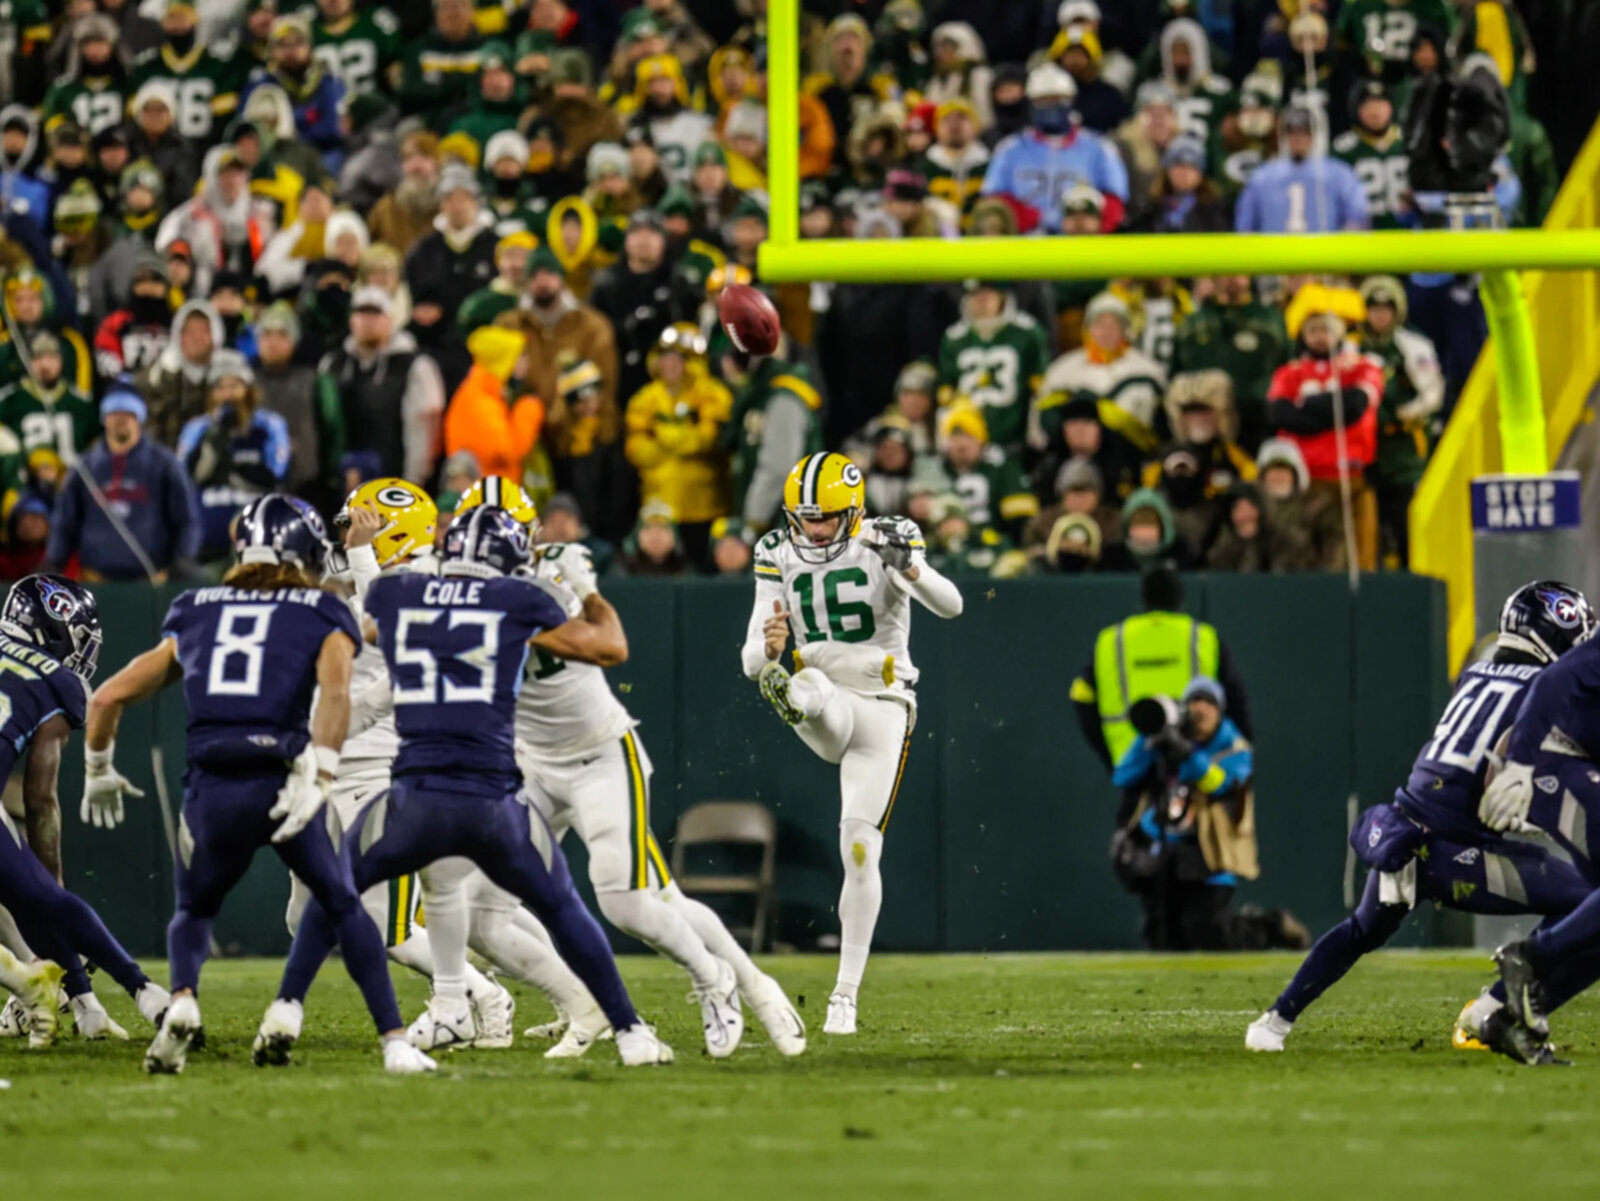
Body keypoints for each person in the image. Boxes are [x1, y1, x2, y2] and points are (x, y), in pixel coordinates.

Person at [278, 504, 674, 1067]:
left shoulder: (401, 596)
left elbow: (361, 633)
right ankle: (628, 1030)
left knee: (343, 888)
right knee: (561, 905)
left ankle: (290, 1008)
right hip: (492, 796)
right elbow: (609, 646)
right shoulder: (519, 600)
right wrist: (587, 590)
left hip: (413, 793)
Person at [83, 495, 435, 1075]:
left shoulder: (195, 606)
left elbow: (108, 695)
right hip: (284, 778)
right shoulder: (320, 609)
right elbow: (338, 695)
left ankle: (183, 1000)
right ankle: (394, 1041)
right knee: (343, 906)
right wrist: (321, 772)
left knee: (194, 909)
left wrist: (97, 767)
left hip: (212, 784)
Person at [1248, 581, 1597, 1056]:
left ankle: (1274, 1021)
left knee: (1359, 932)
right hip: (1454, 850)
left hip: (1405, 826)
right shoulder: (1544, 690)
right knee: (1582, 902)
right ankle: (1492, 1008)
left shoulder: (1475, 673)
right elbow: (1507, 759)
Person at [501, 516, 806, 1055]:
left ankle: (728, 982)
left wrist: (588, 590)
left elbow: (613, 646)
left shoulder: (549, 583)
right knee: (478, 898)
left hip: (599, 754)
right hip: (531, 763)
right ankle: (565, 1004)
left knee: (633, 901)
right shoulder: (451, 594)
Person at [743, 452, 963, 1035]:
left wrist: (910, 570)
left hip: (884, 706)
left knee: (860, 851)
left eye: (825, 518)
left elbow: (953, 604)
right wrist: (768, 649)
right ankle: (794, 695)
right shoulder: (776, 551)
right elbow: (749, 659)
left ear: (855, 509)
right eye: (804, 517)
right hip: (828, 699)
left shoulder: (889, 537)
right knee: (809, 681)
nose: (813, 529)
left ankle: (845, 995)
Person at [0, 574, 171, 1047]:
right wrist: (49, 884)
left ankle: (66, 998)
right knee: (42, 899)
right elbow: (40, 801)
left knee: (27, 899)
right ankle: (142, 992)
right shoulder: (54, 680)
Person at [1110, 677, 1306, 952]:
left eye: (1208, 703)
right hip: (1164, 849)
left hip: (1209, 851)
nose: (1200, 709)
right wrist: (1150, 738)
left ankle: (1269, 926)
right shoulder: (1164, 738)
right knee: (1162, 938)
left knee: (1209, 933)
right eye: (1193, 701)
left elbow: (1223, 786)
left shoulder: (1234, 748)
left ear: (1220, 710)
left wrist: (1187, 754)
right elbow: (1124, 776)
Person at [1072, 566, 1251, 774]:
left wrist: (1108, 756)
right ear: (1180, 600)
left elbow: (1081, 696)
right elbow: (1234, 697)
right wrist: (1243, 748)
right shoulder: (1202, 637)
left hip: (1130, 759)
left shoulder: (1111, 640)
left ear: (1143, 600)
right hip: (1197, 757)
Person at [1266, 287, 1385, 570]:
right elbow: (1279, 414)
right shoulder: (1289, 372)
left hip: (1350, 480)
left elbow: (1357, 405)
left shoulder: (1363, 366)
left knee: (1356, 558)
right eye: (1314, 329)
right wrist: (1333, 413)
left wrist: (1308, 407)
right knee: (1304, 558)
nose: (1321, 336)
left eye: (1327, 329)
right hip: (1303, 484)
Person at [45, 388, 199, 581]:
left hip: (150, 581)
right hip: (96, 580)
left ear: (140, 420)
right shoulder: (84, 467)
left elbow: (186, 518)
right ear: (104, 419)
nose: (121, 420)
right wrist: (54, 560)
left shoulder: (164, 463)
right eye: (114, 414)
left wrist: (182, 560)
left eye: (129, 414)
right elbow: (64, 522)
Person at [623, 323, 731, 566]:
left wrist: (664, 437)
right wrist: (684, 438)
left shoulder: (712, 393)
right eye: (664, 357)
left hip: (704, 505)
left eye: (677, 358)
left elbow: (708, 439)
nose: (669, 364)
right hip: (659, 506)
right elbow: (636, 450)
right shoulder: (644, 399)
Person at [315, 285, 444, 485]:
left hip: (393, 481)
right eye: (362, 314)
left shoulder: (415, 365)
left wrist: (411, 483)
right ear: (351, 319)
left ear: (390, 319)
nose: (368, 322)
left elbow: (423, 430)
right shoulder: (332, 363)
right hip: (339, 484)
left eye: (376, 314)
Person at [980, 63, 1129, 233]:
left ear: (1071, 101)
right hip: (1024, 243)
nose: (1050, 107)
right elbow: (994, 200)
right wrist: (1026, 217)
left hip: (1081, 245)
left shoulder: (1099, 147)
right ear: (1030, 103)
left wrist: (1090, 222)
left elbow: (1115, 201)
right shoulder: (1010, 149)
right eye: (1042, 101)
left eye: (1058, 99)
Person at [1358, 276, 1443, 568]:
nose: (1379, 315)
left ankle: (1412, 571)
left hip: (1401, 451)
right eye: (1373, 308)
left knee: (1404, 523)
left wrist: (1405, 414)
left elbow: (1432, 393)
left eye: (1386, 309)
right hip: (1365, 452)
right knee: (1368, 529)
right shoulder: (1353, 346)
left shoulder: (1412, 345)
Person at [175, 349, 291, 562]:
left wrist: (233, 466)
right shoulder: (198, 429)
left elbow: (276, 474)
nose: (228, 395)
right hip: (206, 543)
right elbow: (183, 477)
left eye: (235, 386)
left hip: (257, 542)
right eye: (221, 387)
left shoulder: (269, 426)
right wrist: (211, 446)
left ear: (248, 390)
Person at [935, 280, 1047, 456]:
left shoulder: (1027, 333)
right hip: (967, 441)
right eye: (976, 295)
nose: (982, 302)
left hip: (1013, 439)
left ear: (1002, 297)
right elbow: (946, 393)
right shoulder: (954, 339)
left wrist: (1035, 429)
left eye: (988, 295)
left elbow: (1039, 388)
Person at [1041, 292, 1168, 440]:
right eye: (1100, 324)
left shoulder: (1148, 370)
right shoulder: (1063, 370)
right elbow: (1047, 417)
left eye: (1113, 325)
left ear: (1125, 330)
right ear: (1088, 329)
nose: (1106, 331)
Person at [1236, 106, 1369, 233]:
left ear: (1314, 136)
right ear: (1284, 136)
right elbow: (1245, 226)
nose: (1298, 139)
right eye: (1293, 133)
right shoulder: (1263, 177)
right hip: (1275, 253)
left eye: (1304, 133)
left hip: (1324, 253)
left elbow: (1357, 218)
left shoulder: (1339, 174)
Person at [443, 325, 542, 482]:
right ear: (504, 362)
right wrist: (528, 411)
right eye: (520, 357)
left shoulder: (488, 394)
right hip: (488, 495)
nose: (526, 363)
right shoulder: (481, 402)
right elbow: (506, 453)